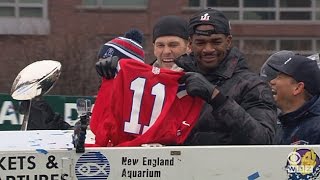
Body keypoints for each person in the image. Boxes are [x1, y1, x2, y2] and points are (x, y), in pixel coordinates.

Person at [174, 8, 277, 145]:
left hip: (233, 166)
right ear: (190, 43)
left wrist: (217, 99)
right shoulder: (177, 80)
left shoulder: (252, 85)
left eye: (216, 42)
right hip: (182, 166)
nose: (208, 49)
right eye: (200, 42)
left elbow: (264, 139)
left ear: (228, 41)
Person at [267, 54, 320, 144]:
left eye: (279, 77)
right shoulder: (282, 125)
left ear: (297, 88)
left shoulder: (316, 127)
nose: (272, 82)